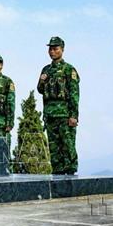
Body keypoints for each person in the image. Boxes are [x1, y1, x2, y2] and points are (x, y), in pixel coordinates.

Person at [36, 36, 80, 175]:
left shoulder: (69, 69)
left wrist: (74, 116)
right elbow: (40, 90)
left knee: (68, 145)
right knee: (54, 148)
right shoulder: (46, 70)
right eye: (50, 49)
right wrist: (42, 81)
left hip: (65, 114)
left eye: (55, 49)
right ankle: (57, 174)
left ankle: (71, 173)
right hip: (50, 115)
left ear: (62, 49)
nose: (52, 52)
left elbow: (74, 94)